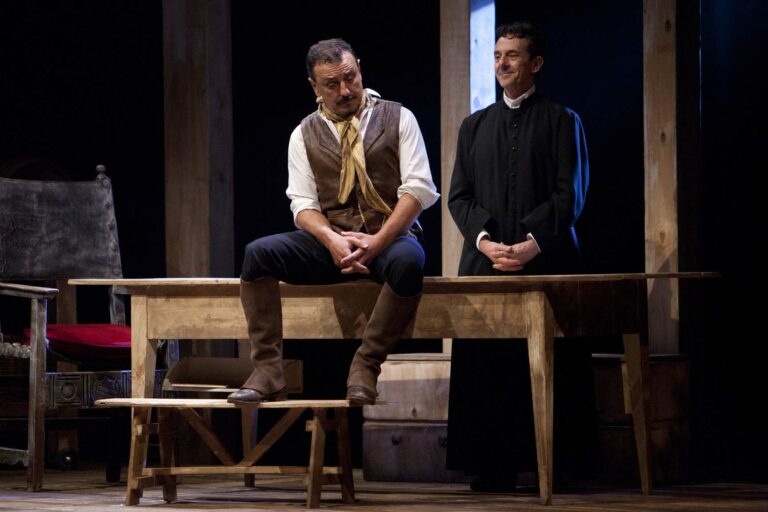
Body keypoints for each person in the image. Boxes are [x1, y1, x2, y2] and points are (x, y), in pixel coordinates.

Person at [227, 38, 439, 407]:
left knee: (409, 262)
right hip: (333, 243)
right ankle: (268, 370)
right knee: (258, 254)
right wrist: (332, 240)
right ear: (314, 86)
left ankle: (366, 365)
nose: (345, 91)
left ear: (359, 68)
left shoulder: (399, 118)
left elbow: (418, 190)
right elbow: (303, 205)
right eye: (332, 84)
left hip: (389, 237)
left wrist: (379, 241)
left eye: (350, 78)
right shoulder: (303, 134)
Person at [446, 22, 592, 491]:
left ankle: (561, 466)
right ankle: (493, 467)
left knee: (553, 362)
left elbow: (571, 195)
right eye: (497, 55)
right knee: (488, 365)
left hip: (548, 259)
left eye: (512, 55)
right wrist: (485, 242)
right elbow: (459, 197)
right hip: (486, 263)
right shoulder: (473, 126)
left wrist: (533, 243)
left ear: (536, 63)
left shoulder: (562, 120)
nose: (502, 63)